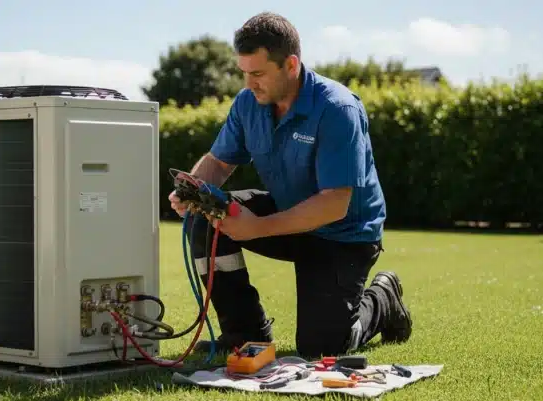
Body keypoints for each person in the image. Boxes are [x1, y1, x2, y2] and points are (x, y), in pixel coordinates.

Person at [168, 11, 413, 359]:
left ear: (291, 65)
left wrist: (258, 227)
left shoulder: (337, 109)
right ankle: (245, 334)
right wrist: (192, 188)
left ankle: (383, 300)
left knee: (323, 348)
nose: (248, 83)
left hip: (344, 235)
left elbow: (333, 204)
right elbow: (220, 162)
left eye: (257, 74)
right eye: (244, 73)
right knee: (206, 216)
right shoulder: (247, 104)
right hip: (290, 214)